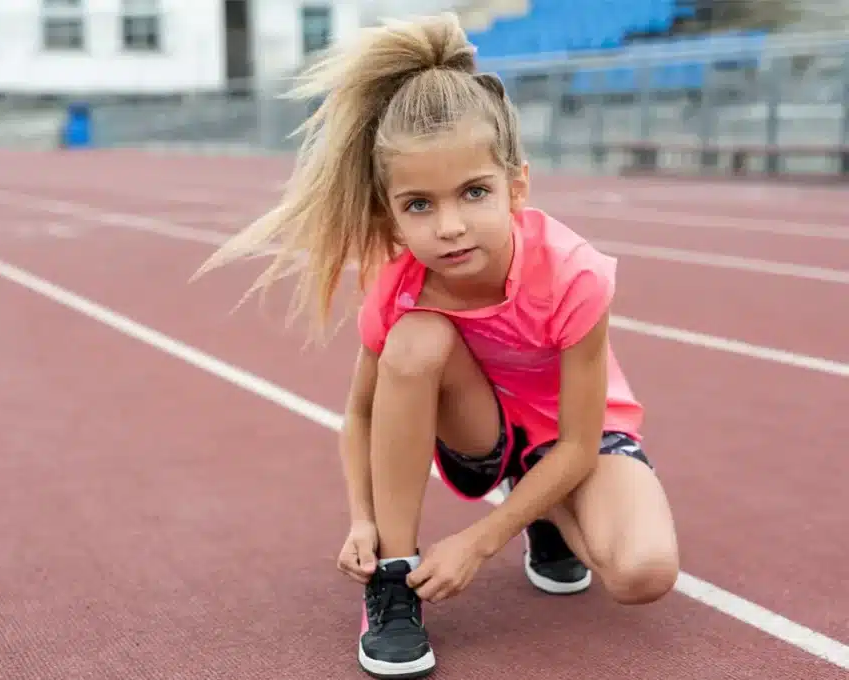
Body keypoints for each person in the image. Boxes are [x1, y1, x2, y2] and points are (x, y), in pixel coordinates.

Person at [195, 12, 680, 680]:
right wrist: (362, 522)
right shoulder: (400, 288)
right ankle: (392, 581)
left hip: (572, 440)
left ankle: (542, 517)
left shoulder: (575, 275)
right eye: (419, 205)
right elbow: (360, 415)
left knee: (642, 572)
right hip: (477, 431)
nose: (449, 227)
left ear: (517, 187)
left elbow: (575, 444)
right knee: (418, 337)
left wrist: (481, 542)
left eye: (474, 193)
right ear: (390, 213)